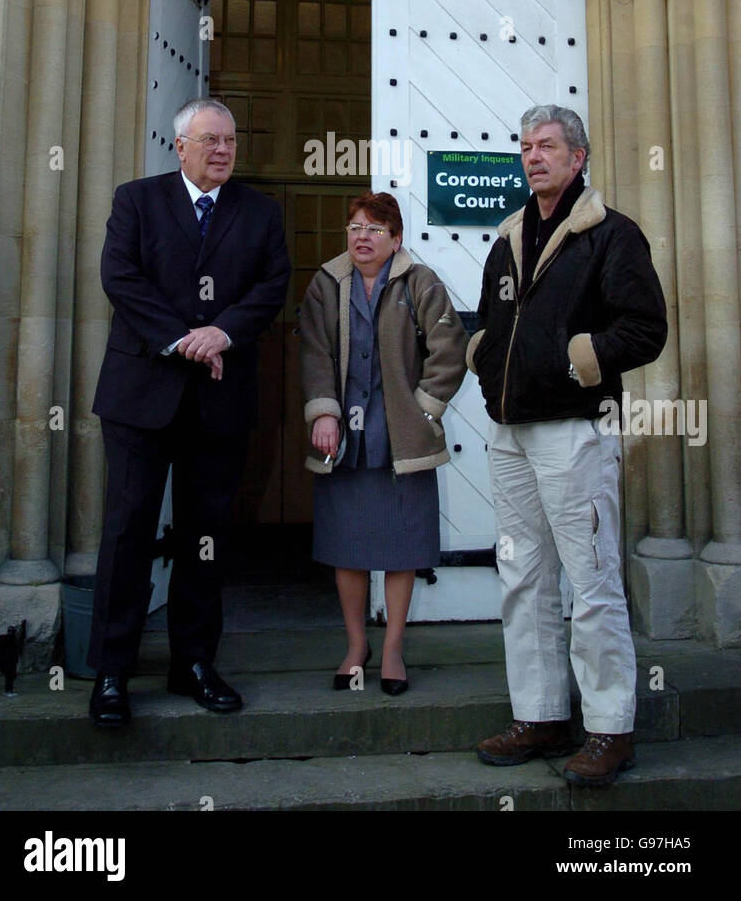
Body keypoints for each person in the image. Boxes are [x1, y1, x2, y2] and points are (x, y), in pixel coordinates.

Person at [468, 105, 667, 785]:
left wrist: (582, 358)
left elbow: (644, 328)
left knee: (592, 584)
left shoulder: (610, 235)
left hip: (575, 432)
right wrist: (483, 355)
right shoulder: (508, 237)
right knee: (522, 578)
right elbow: (493, 317)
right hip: (510, 434)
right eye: (524, 146)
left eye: (547, 146)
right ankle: (541, 714)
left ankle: (609, 728)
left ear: (577, 158)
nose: (533, 156)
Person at [87, 98, 291, 724]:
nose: (223, 150)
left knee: (206, 536)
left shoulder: (261, 212)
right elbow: (120, 278)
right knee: (127, 532)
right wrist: (182, 339)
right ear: (180, 147)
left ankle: (194, 663)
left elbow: (272, 286)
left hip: (219, 400)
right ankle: (113, 672)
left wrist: (221, 333)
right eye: (210, 141)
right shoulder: (136, 200)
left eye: (230, 140)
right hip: (141, 395)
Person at [299, 192, 467, 695]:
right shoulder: (325, 285)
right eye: (354, 227)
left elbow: (450, 349)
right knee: (347, 548)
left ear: (396, 239)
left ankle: (392, 647)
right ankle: (356, 646)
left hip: (402, 444)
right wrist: (324, 411)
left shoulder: (421, 283)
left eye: (374, 229)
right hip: (343, 442)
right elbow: (313, 353)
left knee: (400, 548)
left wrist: (422, 410)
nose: (362, 237)